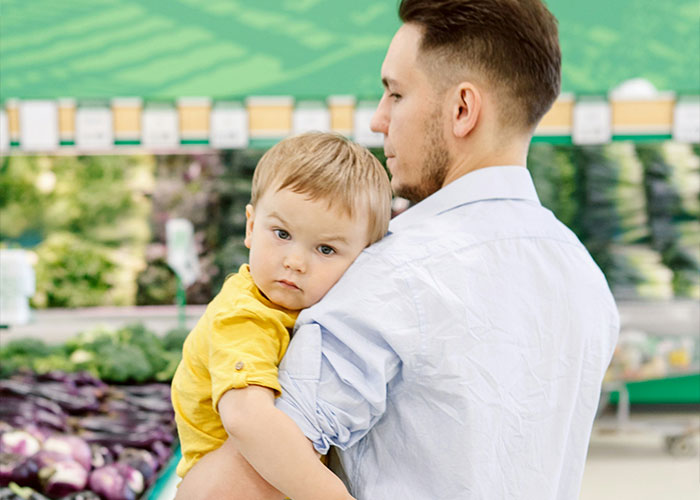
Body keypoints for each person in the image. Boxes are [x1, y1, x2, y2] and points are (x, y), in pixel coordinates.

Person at [179, 0, 619, 498]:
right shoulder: (584, 277)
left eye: (395, 93)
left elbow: (226, 489)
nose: (378, 119)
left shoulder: (389, 272)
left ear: (462, 109)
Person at [171, 132, 392, 500]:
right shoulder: (245, 315)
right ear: (250, 227)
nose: (295, 261)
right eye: (282, 233)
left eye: (325, 248)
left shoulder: (300, 311)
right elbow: (246, 418)